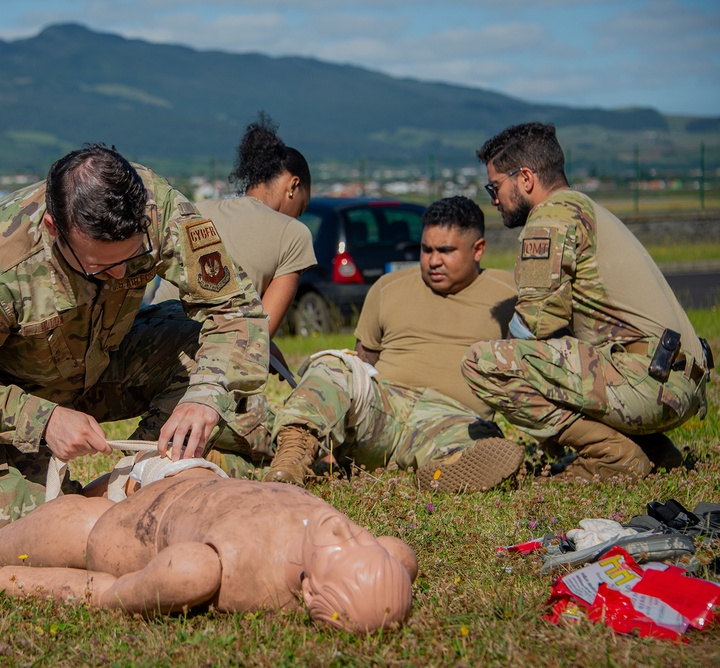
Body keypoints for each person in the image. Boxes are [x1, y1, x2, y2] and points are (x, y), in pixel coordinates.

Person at [0, 144, 269, 536]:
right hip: (10, 402)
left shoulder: (154, 207)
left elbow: (235, 311)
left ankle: (139, 479)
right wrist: (43, 420)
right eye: (100, 266)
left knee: (206, 360)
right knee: (38, 543)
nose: (122, 272)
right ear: (52, 229)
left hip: (98, 366)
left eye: (133, 256)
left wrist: (205, 396)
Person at [0, 465, 418, 635]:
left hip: (104, 529)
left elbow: (98, 593)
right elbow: (396, 556)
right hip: (179, 475)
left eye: (340, 547)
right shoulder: (376, 553)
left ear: (309, 590)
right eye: (360, 537)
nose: (345, 529)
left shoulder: (201, 570)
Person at [462, 122, 712, 483]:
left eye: (495, 185)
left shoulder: (550, 217)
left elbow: (535, 326)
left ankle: (612, 455)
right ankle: (656, 451)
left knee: (483, 362)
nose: (493, 198)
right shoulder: (588, 209)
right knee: (559, 360)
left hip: (648, 383)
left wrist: (538, 416)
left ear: (526, 178)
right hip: (676, 382)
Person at [262, 196, 524, 492]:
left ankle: (445, 470)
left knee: (477, 443)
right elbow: (364, 362)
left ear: (478, 250)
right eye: (426, 249)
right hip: (384, 410)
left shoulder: (509, 295)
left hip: (454, 418)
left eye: (446, 251)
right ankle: (292, 456)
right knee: (335, 365)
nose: (433, 260)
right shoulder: (388, 287)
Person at [148, 114, 317, 467]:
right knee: (281, 435)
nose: (298, 215)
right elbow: (257, 333)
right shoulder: (293, 234)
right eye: (302, 205)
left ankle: (176, 449)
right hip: (205, 370)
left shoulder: (196, 211)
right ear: (293, 185)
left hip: (148, 356)